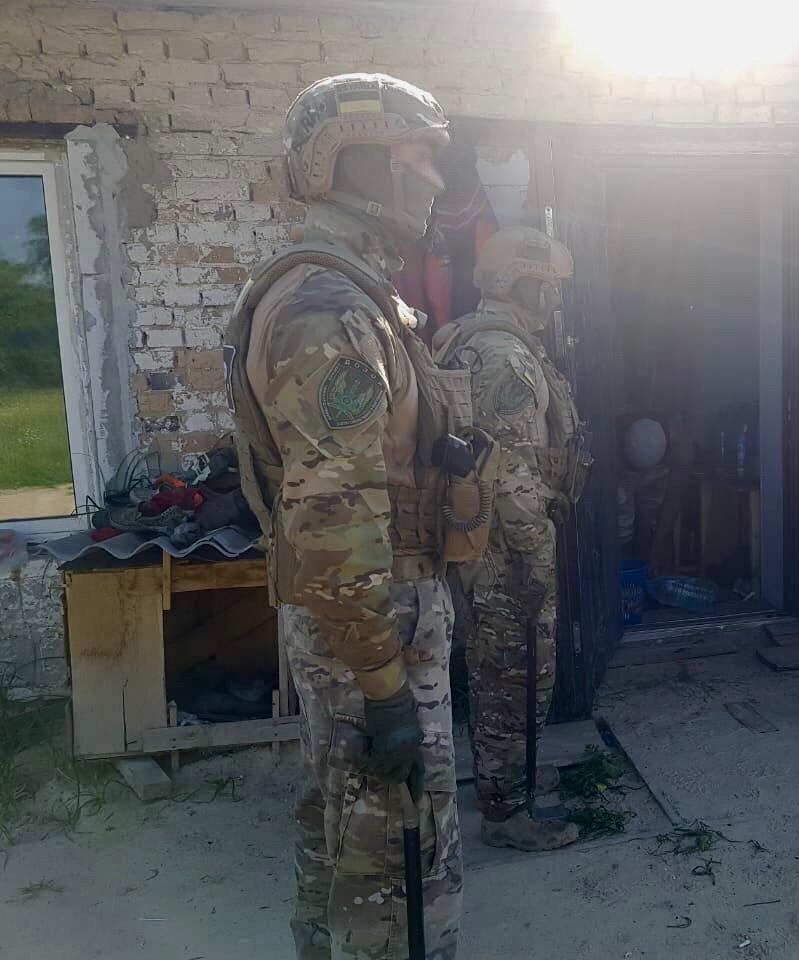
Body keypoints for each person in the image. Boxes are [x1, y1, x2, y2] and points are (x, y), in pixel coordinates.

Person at [224, 74, 463, 959]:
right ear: (359, 161)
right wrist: (385, 687)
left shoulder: (350, 294)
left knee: (346, 835)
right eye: (419, 155)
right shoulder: (328, 310)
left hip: (369, 621)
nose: (436, 180)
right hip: (371, 627)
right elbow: (331, 524)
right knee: (392, 867)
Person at [434, 227, 590, 850]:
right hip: (507, 546)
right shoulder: (505, 356)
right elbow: (510, 472)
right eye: (546, 286)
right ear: (518, 284)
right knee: (515, 671)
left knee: (502, 666)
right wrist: (534, 552)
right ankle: (506, 813)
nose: (554, 298)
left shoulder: (478, 339)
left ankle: (508, 781)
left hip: (487, 541)